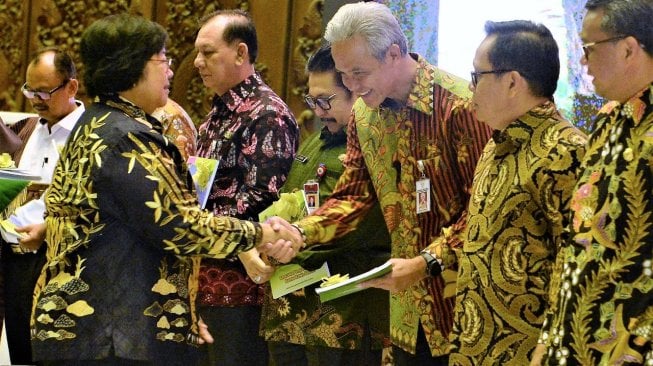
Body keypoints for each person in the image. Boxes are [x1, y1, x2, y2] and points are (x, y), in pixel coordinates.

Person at [24, 13, 299, 365]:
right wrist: (260, 233)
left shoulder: (98, 123)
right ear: (132, 66)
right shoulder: (126, 138)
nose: (172, 71)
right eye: (163, 60)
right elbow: (178, 226)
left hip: (98, 327)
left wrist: (178, 313)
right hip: (108, 335)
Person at [274, 2, 493, 365]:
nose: (353, 87)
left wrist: (426, 261)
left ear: (394, 53)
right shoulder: (365, 114)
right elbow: (354, 196)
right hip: (404, 309)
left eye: (359, 73)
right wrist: (301, 232)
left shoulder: (460, 106)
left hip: (463, 303)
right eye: (344, 75)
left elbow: (484, 211)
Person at [445, 20, 587, 365]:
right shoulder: (496, 144)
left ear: (512, 82)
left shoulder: (567, 151)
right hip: (477, 349)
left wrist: (551, 347)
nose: (469, 89)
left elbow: (577, 267)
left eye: (477, 77)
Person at [533, 0, 653, 364]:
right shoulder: (607, 120)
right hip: (574, 342)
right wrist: (548, 337)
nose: (583, 60)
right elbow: (577, 241)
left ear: (629, 48)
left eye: (589, 48)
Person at [259, 45, 391, 366]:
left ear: (356, 92)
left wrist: (286, 248)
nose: (317, 111)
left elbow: (359, 225)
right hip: (289, 313)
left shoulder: (374, 149)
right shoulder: (315, 141)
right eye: (311, 101)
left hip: (343, 316)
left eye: (325, 101)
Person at [193, 9, 299, 366]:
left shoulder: (267, 114)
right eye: (197, 53)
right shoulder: (216, 115)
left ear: (240, 53)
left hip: (241, 287)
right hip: (203, 274)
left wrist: (202, 220)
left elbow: (264, 198)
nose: (197, 62)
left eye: (208, 53)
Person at [0, 47, 85, 365]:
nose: (36, 99)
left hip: (61, 265)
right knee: (21, 353)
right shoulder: (25, 129)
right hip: (15, 261)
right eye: (29, 90)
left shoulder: (90, 136)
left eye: (44, 92)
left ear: (71, 87)